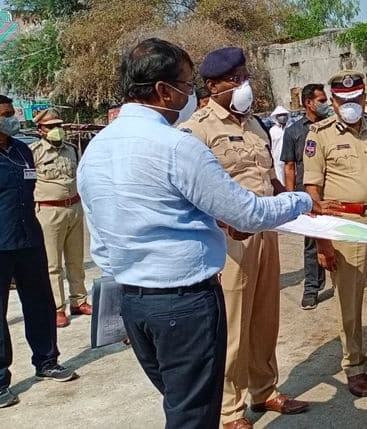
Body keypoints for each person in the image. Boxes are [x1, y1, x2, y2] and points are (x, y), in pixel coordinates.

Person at [78, 39, 314, 429]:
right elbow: (246, 212)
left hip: (135, 300)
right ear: (162, 90)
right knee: (194, 411)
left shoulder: (97, 148)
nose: (191, 95)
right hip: (184, 302)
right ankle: (231, 408)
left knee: (182, 400)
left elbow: (101, 234)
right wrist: (302, 202)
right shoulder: (178, 144)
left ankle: (261, 388)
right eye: (188, 87)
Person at [180, 47, 309, 429]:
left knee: (265, 317)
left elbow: (266, 175)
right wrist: (222, 223)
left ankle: (264, 389)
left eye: (244, 77)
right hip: (228, 239)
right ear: (212, 85)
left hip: (265, 232)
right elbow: (190, 191)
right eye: (235, 80)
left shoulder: (254, 125)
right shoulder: (196, 129)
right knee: (233, 324)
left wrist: (288, 201)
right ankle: (230, 410)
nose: (243, 86)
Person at [304, 71, 367, 398]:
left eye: (356, 99)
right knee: (349, 300)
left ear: (364, 97)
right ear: (332, 101)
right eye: (343, 100)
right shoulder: (318, 135)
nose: (351, 105)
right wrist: (322, 243)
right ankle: (355, 364)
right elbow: (312, 194)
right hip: (345, 226)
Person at [1, 95, 78, 409]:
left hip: (29, 238)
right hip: (0, 243)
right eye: (5, 114)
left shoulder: (21, 150)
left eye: (11, 113)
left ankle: (47, 361)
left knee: (41, 303)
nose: (11, 119)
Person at [29, 110, 91, 328]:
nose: (56, 130)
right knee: (52, 264)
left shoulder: (72, 150)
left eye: (58, 125)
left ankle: (79, 300)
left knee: (76, 259)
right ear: (40, 130)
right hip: (48, 210)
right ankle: (57, 308)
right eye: (50, 126)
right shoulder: (34, 152)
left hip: (73, 207)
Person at [282, 83, 333, 309]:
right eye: (321, 100)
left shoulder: (333, 127)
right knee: (312, 243)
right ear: (308, 103)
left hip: (334, 191)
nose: (326, 104)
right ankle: (312, 288)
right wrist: (292, 198)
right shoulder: (293, 132)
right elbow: (290, 167)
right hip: (309, 195)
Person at [268, 105, 290, 186]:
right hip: (277, 159)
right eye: (280, 115)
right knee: (280, 180)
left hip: (290, 159)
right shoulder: (272, 131)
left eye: (284, 114)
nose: (283, 117)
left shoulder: (290, 128)